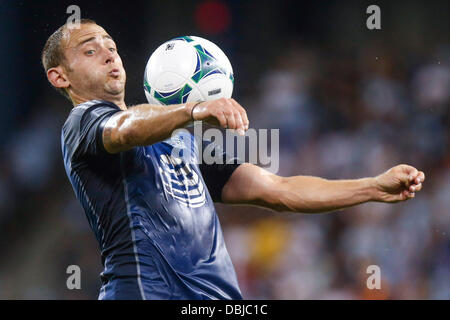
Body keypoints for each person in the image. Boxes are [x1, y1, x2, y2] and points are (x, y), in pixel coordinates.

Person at [43, 19, 425, 300]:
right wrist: (194, 109)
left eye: (111, 45)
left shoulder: (181, 144)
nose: (109, 53)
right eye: (90, 49)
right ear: (60, 77)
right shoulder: (82, 125)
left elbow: (279, 190)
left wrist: (373, 186)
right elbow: (124, 128)